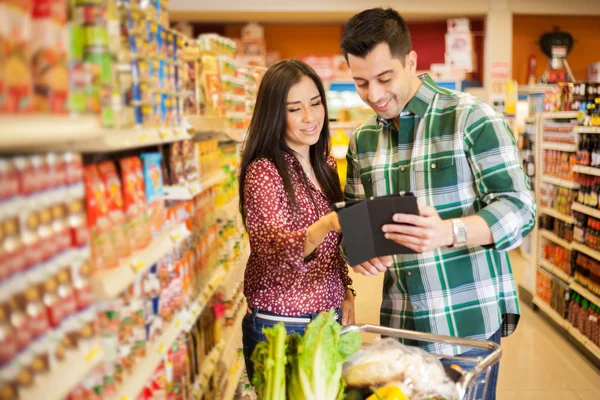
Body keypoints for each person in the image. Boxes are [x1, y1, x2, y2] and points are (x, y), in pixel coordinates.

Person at [340, 8, 536, 400]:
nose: (374, 95)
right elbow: (354, 220)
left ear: (411, 61)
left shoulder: (472, 119)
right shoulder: (362, 139)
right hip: (400, 327)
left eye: (384, 78)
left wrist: (449, 230)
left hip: (464, 327)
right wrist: (357, 250)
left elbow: (520, 209)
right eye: (361, 83)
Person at [238, 59, 356, 382]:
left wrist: (346, 290)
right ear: (276, 115)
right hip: (280, 327)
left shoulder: (326, 164)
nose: (310, 117)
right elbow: (272, 251)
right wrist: (327, 224)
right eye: (295, 109)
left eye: (315, 103)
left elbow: (333, 251)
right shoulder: (264, 171)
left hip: (328, 321)